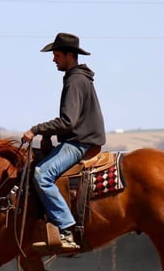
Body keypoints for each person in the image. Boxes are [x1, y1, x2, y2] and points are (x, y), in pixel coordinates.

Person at [22, 32, 106, 251]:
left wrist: (37, 129)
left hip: (80, 143)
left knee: (42, 175)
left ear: (70, 55)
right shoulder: (77, 77)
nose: (53, 60)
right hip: (81, 139)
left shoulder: (75, 80)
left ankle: (66, 228)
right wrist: (48, 135)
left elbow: (68, 122)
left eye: (57, 55)